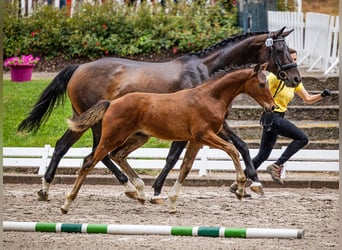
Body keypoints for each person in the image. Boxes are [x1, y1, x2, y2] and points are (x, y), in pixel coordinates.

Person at [230, 49, 331, 194]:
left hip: (278, 117)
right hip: (272, 116)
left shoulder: (294, 80)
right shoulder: (275, 77)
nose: (294, 61)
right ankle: (277, 165)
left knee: (262, 155)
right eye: (292, 58)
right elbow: (262, 92)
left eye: (296, 59)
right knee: (302, 138)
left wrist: (322, 95)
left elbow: (307, 99)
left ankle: (238, 182)